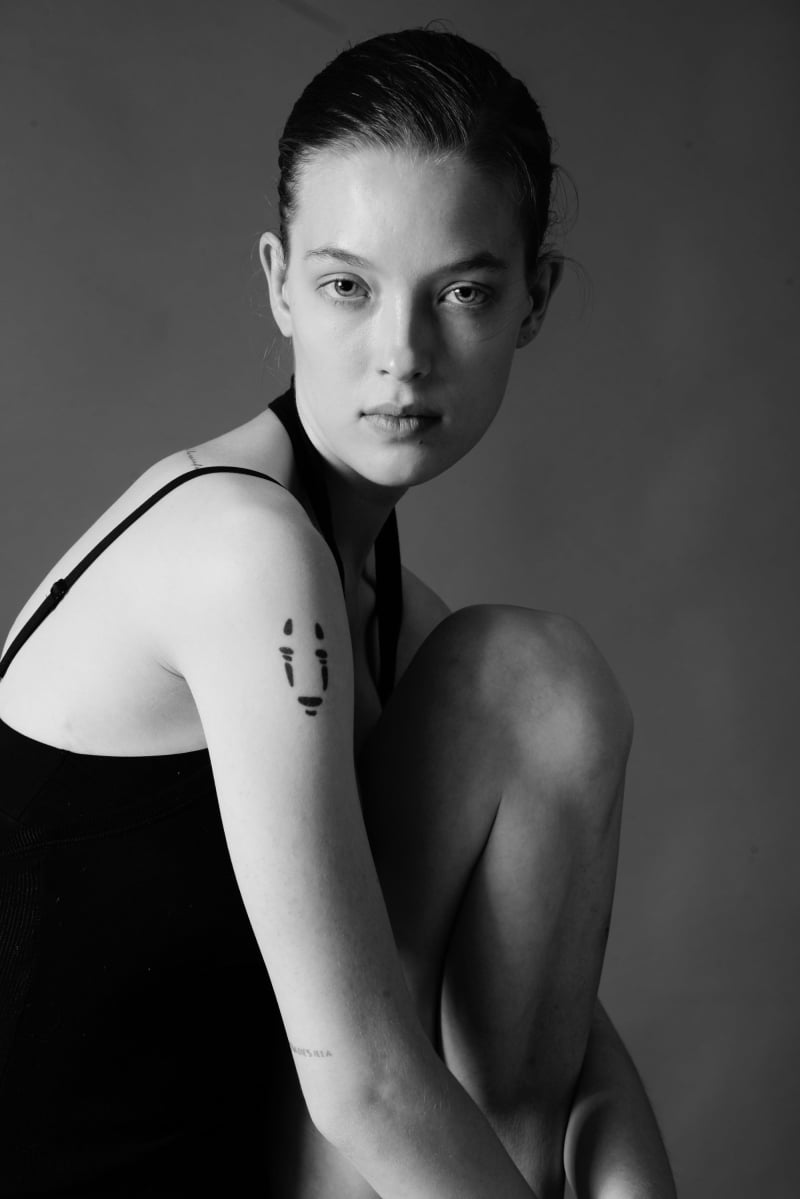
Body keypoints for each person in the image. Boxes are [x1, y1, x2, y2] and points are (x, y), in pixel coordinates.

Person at [0, 25, 677, 1199]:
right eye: (346, 287)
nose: (399, 355)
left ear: (532, 299)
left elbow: (569, 1041)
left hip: (249, 1163)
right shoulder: (243, 551)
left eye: (460, 291)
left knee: (528, 679)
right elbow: (360, 1083)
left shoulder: (390, 615)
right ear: (278, 282)